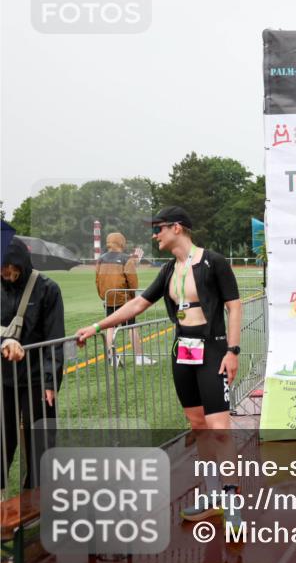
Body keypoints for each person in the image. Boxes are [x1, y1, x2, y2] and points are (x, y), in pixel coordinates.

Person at [74, 206, 243, 528]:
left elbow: (234, 307)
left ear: (177, 228)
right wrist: (97, 326)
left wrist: (232, 351)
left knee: (219, 429)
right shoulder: (169, 270)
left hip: (213, 350)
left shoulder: (213, 262)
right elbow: (138, 303)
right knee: (198, 427)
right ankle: (211, 494)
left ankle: (233, 500)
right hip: (182, 352)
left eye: (159, 228)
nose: (155, 235)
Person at [2, 237, 65, 490]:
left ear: (17, 260)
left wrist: (50, 381)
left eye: (6, 265)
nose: (3, 272)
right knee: (2, 438)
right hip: (4, 378)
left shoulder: (48, 288)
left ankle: (39, 495)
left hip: (37, 377)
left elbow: (55, 338)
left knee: (39, 436)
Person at [95, 231, 153, 366]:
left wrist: (103, 296)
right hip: (124, 299)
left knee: (110, 327)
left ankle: (112, 358)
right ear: (121, 242)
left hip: (108, 298)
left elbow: (97, 281)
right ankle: (139, 357)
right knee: (132, 327)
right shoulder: (126, 259)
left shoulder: (101, 259)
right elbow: (133, 282)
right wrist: (132, 297)